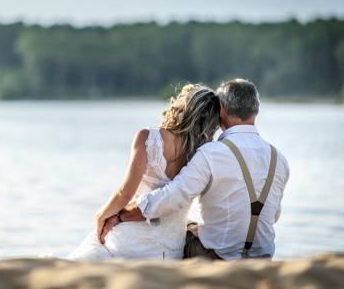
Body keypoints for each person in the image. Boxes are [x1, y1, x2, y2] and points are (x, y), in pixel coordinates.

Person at [101, 78, 290, 260]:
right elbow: (274, 214)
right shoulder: (279, 159)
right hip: (262, 260)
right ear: (256, 111)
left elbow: (171, 198)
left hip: (217, 258)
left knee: (184, 228)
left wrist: (120, 215)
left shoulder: (212, 153)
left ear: (221, 109)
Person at [68, 84, 220, 260]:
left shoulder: (149, 138)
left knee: (94, 241)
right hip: (170, 250)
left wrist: (102, 215)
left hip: (129, 241)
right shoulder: (206, 154)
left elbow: (125, 193)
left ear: (182, 106)